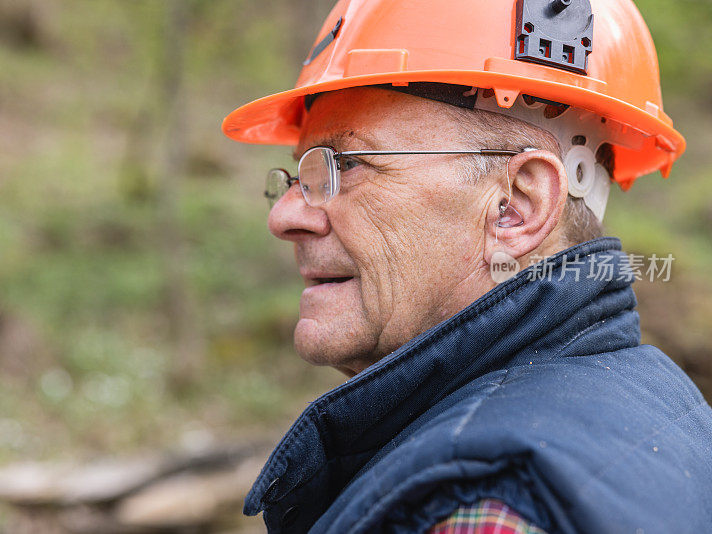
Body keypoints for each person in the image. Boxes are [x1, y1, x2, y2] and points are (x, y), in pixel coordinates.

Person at [222, 0, 712, 532]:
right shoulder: (661, 406)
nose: (285, 214)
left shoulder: (480, 506)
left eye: (348, 164)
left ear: (516, 206)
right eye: (298, 175)